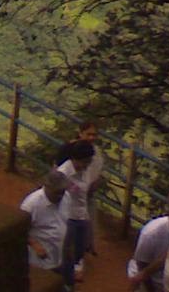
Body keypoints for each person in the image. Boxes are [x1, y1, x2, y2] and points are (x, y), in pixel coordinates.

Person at [54, 120, 105, 260]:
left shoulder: (95, 152)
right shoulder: (68, 149)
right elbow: (57, 171)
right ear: (80, 132)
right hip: (69, 194)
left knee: (87, 222)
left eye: (94, 135)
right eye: (88, 134)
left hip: (87, 191)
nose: (92, 137)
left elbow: (98, 171)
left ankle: (83, 251)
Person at [56, 139, 97, 280]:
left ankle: (75, 268)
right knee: (66, 248)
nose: (86, 165)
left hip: (82, 214)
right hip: (67, 215)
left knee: (80, 247)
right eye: (85, 161)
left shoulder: (86, 171)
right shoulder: (63, 173)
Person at [19, 170, 71, 279]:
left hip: (59, 256)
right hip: (38, 262)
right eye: (57, 192)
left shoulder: (66, 197)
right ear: (47, 187)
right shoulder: (31, 204)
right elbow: (19, 230)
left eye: (62, 191)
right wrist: (34, 244)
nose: (60, 195)